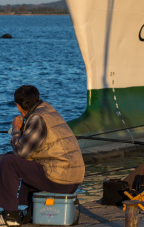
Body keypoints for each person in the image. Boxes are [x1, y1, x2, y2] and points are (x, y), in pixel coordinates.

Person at [0, 85, 85, 226]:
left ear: (18, 107)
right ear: (39, 98)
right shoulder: (49, 110)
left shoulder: (37, 118)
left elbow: (20, 153)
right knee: (22, 162)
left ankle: (10, 215)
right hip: (73, 179)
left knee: (9, 161)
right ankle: (26, 209)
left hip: (59, 180)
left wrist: (16, 129)